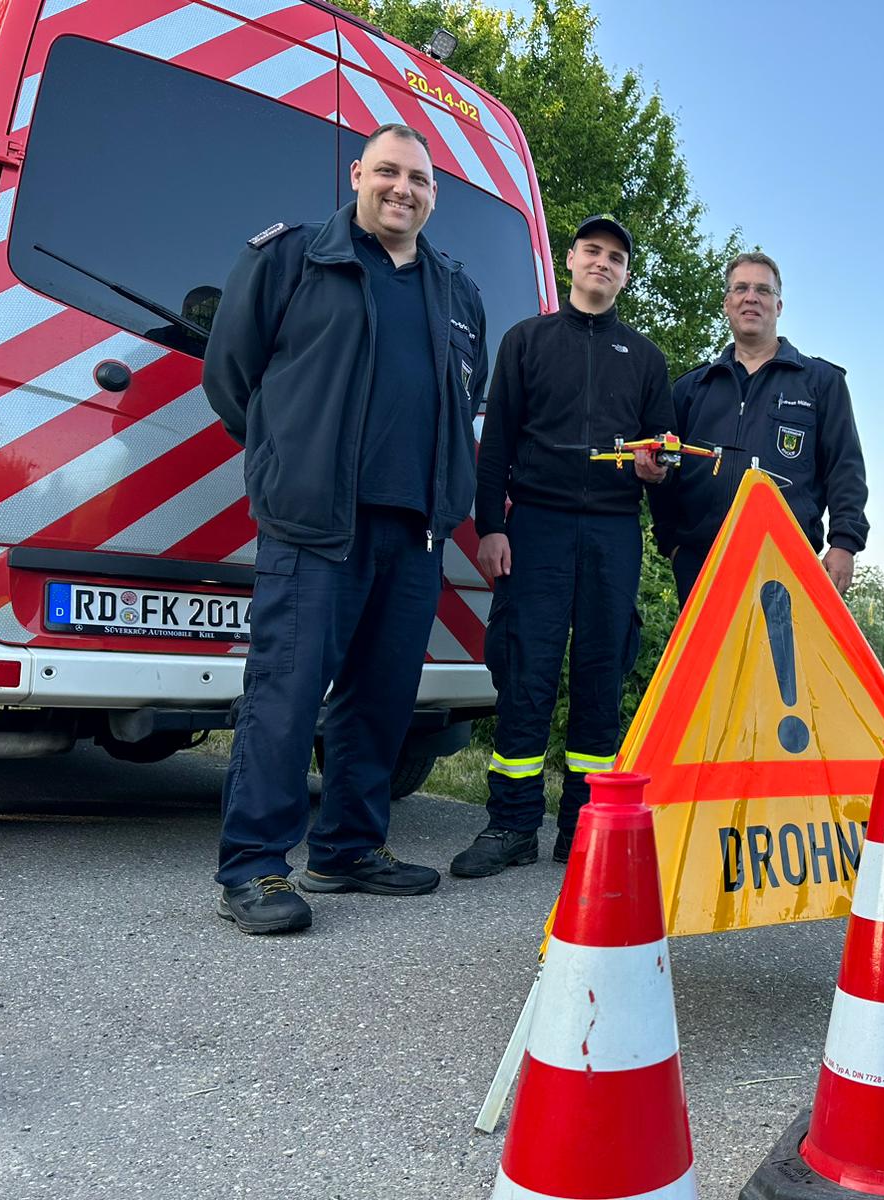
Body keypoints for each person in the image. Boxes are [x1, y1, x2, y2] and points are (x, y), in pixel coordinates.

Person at [203, 123, 488, 934]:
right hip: (315, 522)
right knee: (287, 696)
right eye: (389, 172)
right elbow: (232, 375)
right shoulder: (293, 259)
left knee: (381, 699)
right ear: (359, 174)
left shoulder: (456, 291)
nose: (403, 189)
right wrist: (284, 457)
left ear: (434, 195)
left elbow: (465, 397)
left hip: (415, 531)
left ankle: (347, 849)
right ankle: (253, 868)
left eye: (419, 179)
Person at [450, 216, 673, 877]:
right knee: (526, 671)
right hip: (536, 526)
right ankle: (512, 824)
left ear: (625, 275)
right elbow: (496, 443)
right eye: (592, 251)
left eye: (616, 257)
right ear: (569, 259)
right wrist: (490, 526)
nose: (603, 262)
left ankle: (585, 828)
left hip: (612, 531)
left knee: (602, 675)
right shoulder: (526, 341)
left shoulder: (646, 358)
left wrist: (657, 470)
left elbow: (664, 452)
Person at [651, 252, 868, 603]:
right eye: (740, 288)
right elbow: (665, 471)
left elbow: (845, 468)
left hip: (785, 566)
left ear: (778, 306)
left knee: (779, 644)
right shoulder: (691, 388)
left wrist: (844, 542)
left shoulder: (820, 382)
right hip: (701, 566)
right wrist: (672, 545)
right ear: (727, 303)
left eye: (763, 290)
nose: (751, 297)